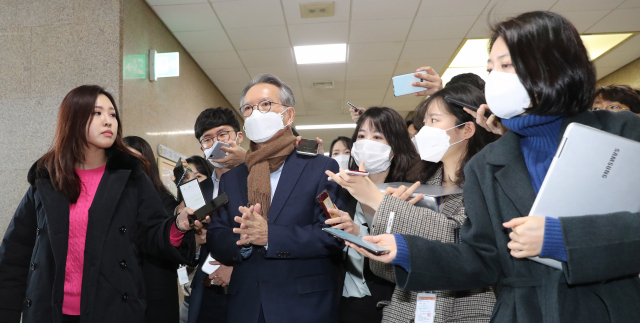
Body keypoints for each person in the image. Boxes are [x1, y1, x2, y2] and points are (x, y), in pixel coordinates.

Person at [347, 11, 640, 323]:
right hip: (522, 312)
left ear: (553, 66)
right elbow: (482, 258)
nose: (496, 78)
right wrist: (407, 251)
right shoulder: (487, 163)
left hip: (611, 306)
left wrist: (562, 237)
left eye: (507, 65)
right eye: (491, 68)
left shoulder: (623, 132)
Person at [0, 85, 202, 323]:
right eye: (97, 113)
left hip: (112, 309)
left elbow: (152, 234)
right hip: (50, 311)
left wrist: (178, 225)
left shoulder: (131, 176)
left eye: (112, 114)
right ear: (73, 119)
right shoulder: (47, 179)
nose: (108, 121)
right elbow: (16, 254)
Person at [337, 84, 498, 323]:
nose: (425, 131)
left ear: (466, 130)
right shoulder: (419, 184)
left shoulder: (489, 182)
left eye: (434, 120)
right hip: (408, 311)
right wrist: (372, 241)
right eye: (425, 123)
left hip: (464, 311)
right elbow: (386, 270)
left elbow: (459, 240)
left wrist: (377, 200)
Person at [208, 73, 345, 323]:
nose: (256, 113)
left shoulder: (321, 168)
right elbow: (216, 235)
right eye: (248, 108)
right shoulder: (233, 177)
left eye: (266, 105)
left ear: (288, 115)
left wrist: (272, 236)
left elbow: (334, 235)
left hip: (304, 307)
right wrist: (243, 239)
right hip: (246, 306)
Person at [325, 107, 418, 323]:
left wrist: (358, 232)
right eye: (361, 136)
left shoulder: (408, 191)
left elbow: (412, 249)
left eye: (377, 136)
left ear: (396, 145)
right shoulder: (344, 191)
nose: (367, 142)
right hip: (346, 301)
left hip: (390, 302)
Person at [187, 107, 247, 323]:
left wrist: (235, 270)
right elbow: (186, 249)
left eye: (223, 135)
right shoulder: (197, 192)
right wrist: (194, 240)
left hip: (250, 289)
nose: (216, 143)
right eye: (208, 139)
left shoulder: (259, 183)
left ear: (239, 137)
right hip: (207, 291)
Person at [124, 135, 185, 323]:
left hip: (155, 292)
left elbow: (167, 240)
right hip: (123, 291)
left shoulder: (164, 201)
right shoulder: (112, 199)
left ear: (147, 164)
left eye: (136, 161)